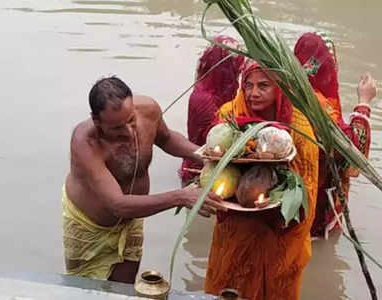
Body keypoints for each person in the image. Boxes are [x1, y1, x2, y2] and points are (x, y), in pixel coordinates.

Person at [62, 76, 225, 283]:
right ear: (97, 121)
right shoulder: (85, 142)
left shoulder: (148, 109)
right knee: (86, 292)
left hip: (132, 219)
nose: (129, 132)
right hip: (90, 227)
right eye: (117, 128)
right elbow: (117, 205)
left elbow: (166, 138)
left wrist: (203, 154)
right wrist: (182, 197)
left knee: (125, 289)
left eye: (131, 120)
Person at [204, 63, 319, 300]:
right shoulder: (231, 113)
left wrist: (278, 206)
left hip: (278, 235)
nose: (253, 93)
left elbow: (308, 185)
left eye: (263, 85)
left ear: (279, 88)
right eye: (248, 84)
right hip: (236, 228)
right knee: (229, 287)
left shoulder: (298, 124)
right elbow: (212, 161)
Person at [294, 32, 377, 238]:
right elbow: (350, 151)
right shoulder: (318, 103)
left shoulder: (290, 90)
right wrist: (364, 103)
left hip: (293, 199)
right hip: (316, 202)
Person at [180, 35, 244, 185]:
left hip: (215, 163)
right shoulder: (205, 99)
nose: (239, 73)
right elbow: (213, 141)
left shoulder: (222, 89)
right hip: (201, 169)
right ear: (225, 69)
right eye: (236, 68)